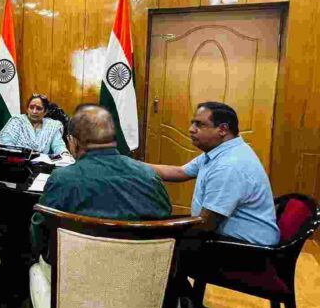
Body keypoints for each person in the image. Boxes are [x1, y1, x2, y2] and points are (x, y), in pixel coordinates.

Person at [31, 104, 171, 259]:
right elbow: (164, 227)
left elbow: (40, 239)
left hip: (76, 271)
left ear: (73, 142)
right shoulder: (149, 176)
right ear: (113, 139)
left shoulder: (61, 180)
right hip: (142, 270)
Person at [147, 101, 279, 246]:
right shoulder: (221, 152)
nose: (191, 129)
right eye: (192, 123)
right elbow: (180, 172)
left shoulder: (229, 165)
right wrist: (132, 165)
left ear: (222, 129)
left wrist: (158, 229)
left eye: (199, 124)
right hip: (224, 236)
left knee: (158, 242)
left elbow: (205, 224)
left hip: (247, 248)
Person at [0, 93, 69, 155]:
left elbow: (58, 145)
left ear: (45, 111)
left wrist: (64, 153)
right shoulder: (17, 121)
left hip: (42, 165)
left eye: (39, 108)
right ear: (27, 109)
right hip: (16, 161)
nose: (34, 111)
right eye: (31, 107)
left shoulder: (52, 125)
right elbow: (5, 144)